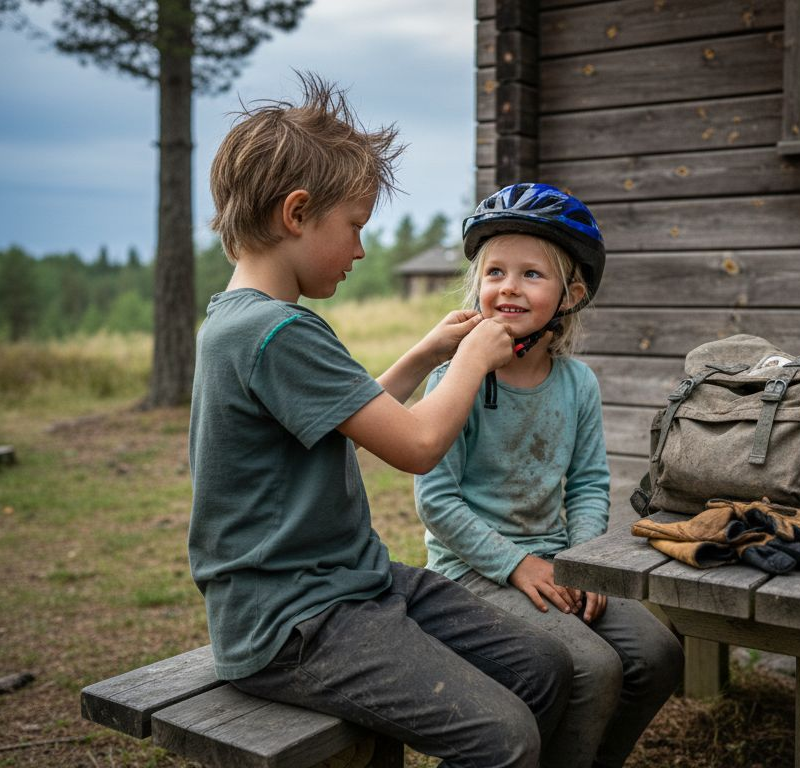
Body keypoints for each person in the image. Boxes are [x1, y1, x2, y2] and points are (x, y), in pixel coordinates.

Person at [187, 76, 574, 768]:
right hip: (292, 622)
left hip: (351, 583)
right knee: (505, 737)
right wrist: (475, 360)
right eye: (356, 226)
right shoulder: (276, 332)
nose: (362, 250)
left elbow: (350, 413)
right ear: (298, 213)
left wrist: (426, 353)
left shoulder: (245, 323)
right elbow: (419, 445)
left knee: (544, 668)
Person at [415, 183, 684, 768]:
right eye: (495, 272)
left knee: (659, 653)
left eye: (531, 274)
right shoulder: (455, 382)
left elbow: (588, 484)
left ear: (571, 294)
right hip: (474, 570)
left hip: (558, 560)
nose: (508, 286)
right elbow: (436, 500)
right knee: (593, 668)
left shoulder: (577, 384)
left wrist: (583, 562)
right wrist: (517, 565)